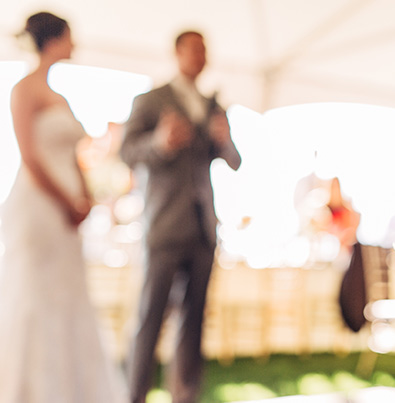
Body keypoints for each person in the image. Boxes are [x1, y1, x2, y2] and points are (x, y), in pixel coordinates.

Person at [0, 12, 125, 402]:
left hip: (67, 211)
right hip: (39, 209)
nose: (75, 44)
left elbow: (72, 156)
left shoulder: (61, 96)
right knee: (34, 292)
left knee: (68, 293)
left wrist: (85, 196)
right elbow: (31, 158)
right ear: (54, 39)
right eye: (70, 37)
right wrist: (67, 200)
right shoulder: (24, 90)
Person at [121, 30, 242, 403]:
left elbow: (235, 161)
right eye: (195, 49)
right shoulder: (152, 100)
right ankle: (134, 396)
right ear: (177, 53)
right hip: (164, 226)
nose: (201, 56)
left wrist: (224, 140)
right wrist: (160, 143)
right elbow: (126, 152)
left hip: (204, 229)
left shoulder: (213, 106)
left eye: (205, 50)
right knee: (150, 319)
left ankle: (185, 397)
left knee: (194, 324)